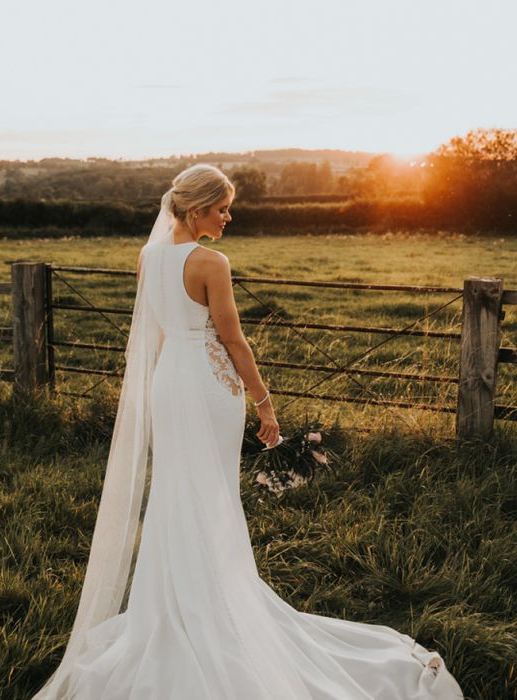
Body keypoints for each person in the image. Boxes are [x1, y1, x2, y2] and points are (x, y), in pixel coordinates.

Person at [32, 164, 463, 699]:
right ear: (196, 211)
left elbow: (161, 332)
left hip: (171, 383)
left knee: (176, 490)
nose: (229, 216)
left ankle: (178, 601)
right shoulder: (210, 261)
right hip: (210, 388)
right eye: (222, 208)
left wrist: (174, 381)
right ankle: (211, 604)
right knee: (209, 493)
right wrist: (266, 404)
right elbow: (235, 342)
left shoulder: (148, 258)